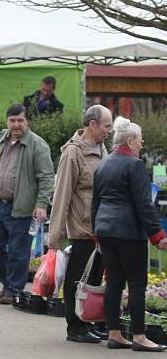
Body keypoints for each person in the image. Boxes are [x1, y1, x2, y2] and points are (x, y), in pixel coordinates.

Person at [93, 117, 167, 351]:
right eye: (139, 139)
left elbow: (95, 202)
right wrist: (157, 234)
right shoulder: (134, 165)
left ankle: (114, 333)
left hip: (105, 230)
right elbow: (144, 205)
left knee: (114, 282)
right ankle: (139, 336)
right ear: (129, 141)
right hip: (128, 232)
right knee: (136, 284)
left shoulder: (103, 164)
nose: (142, 144)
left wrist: (96, 230)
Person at [48, 105, 113, 344]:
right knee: (78, 278)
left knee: (94, 279)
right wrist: (55, 235)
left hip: (102, 226)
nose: (109, 131)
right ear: (92, 124)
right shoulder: (72, 153)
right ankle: (74, 326)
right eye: (106, 126)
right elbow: (62, 194)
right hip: (82, 226)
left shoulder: (103, 149)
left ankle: (86, 321)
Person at [0, 104, 54, 305]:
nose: (16, 125)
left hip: (22, 207)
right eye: (12, 120)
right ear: (7, 121)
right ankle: (8, 283)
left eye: (20, 120)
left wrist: (41, 204)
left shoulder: (38, 145)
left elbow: (46, 178)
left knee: (19, 251)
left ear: (27, 122)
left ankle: (14, 289)